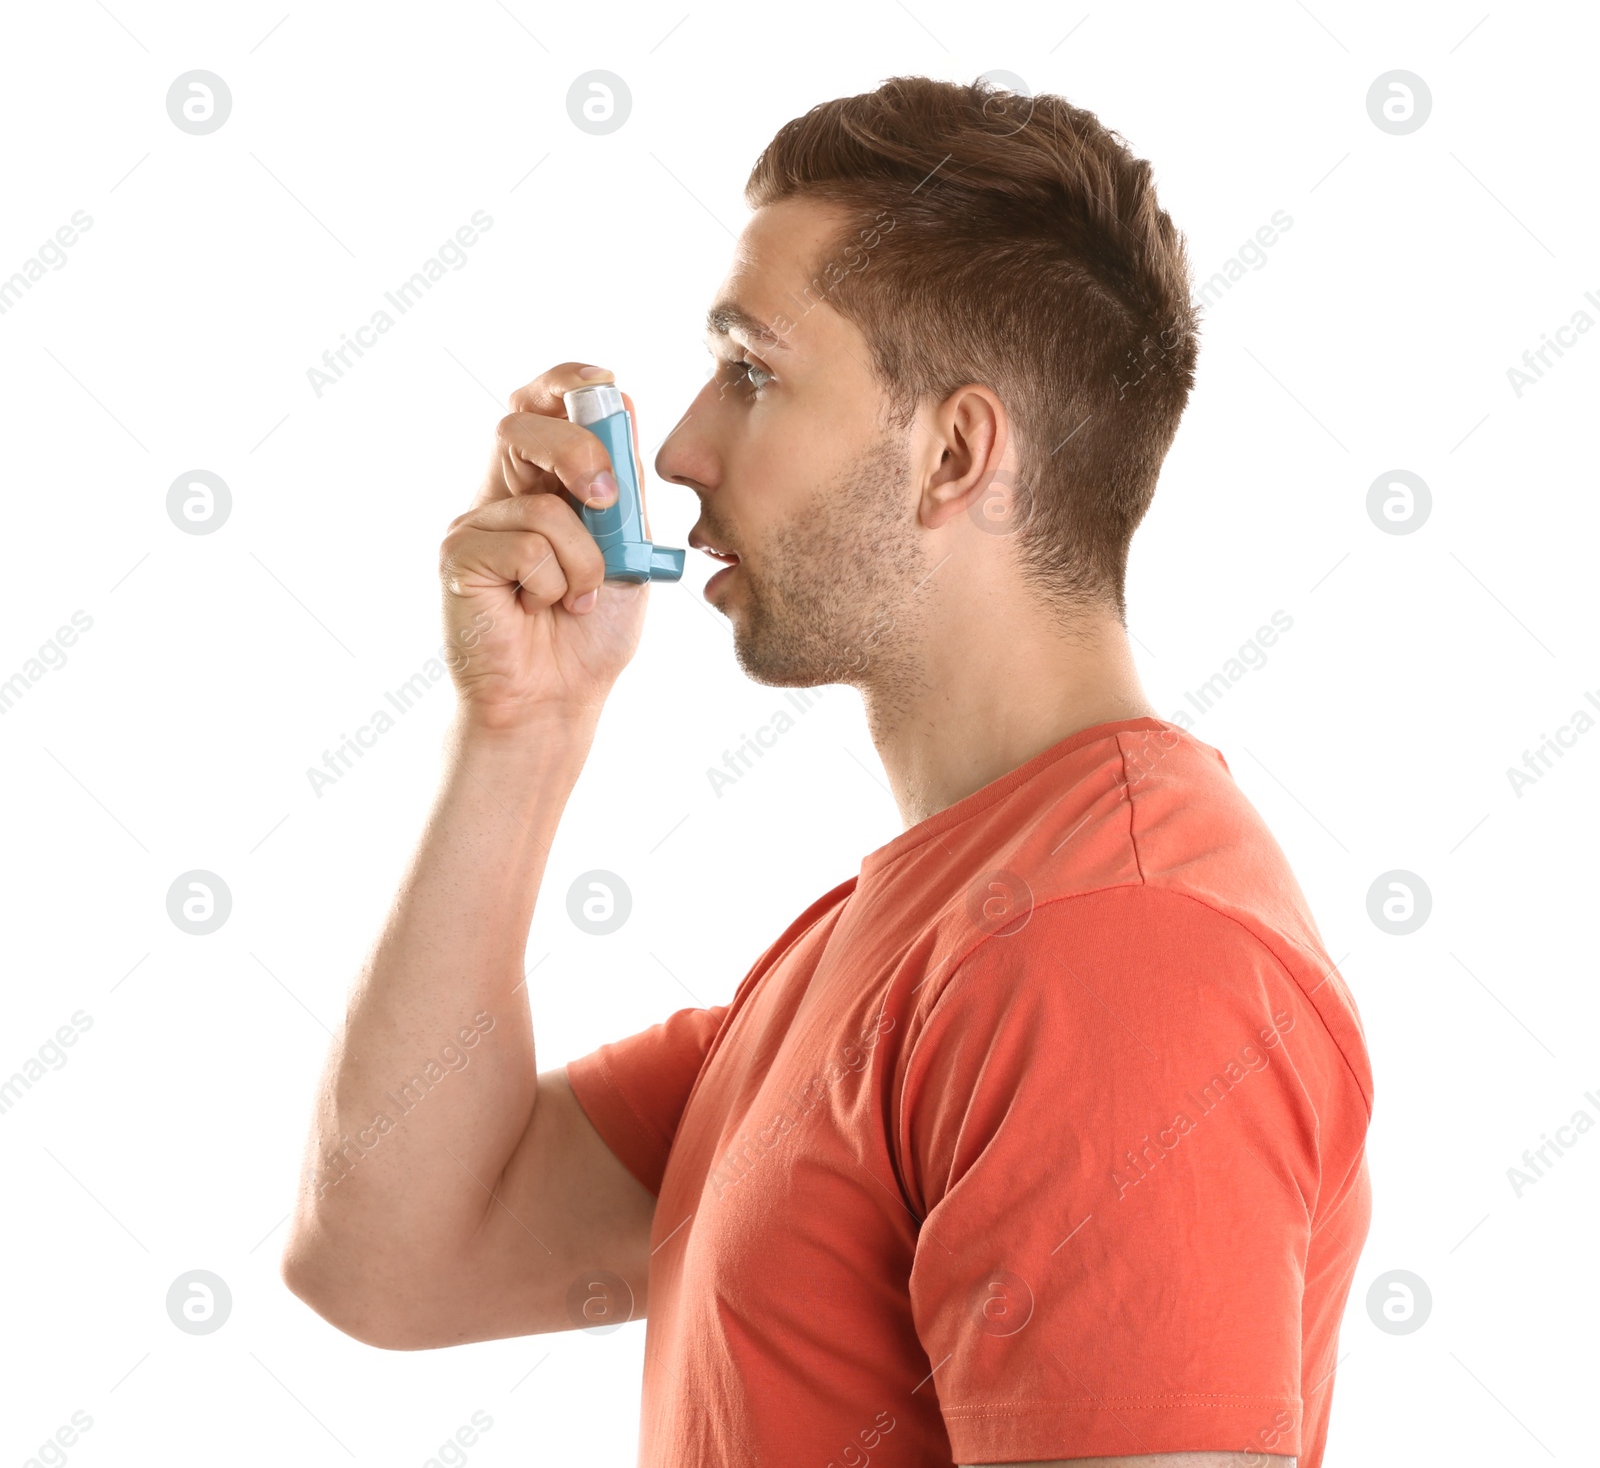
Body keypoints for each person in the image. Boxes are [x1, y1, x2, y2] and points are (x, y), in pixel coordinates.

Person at [282, 75, 1372, 1468]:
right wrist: (528, 728)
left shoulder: (1115, 946)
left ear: (955, 451)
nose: (678, 451)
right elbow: (391, 1255)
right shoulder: (897, 945)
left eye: (752, 370)